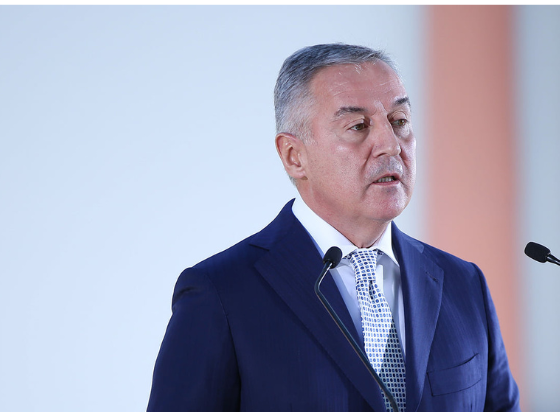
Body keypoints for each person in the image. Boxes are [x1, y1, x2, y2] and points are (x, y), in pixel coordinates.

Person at [147, 43, 520, 412]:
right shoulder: (220, 293)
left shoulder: (464, 284)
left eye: (399, 121)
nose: (391, 145)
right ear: (294, 156)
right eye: (358, 126)